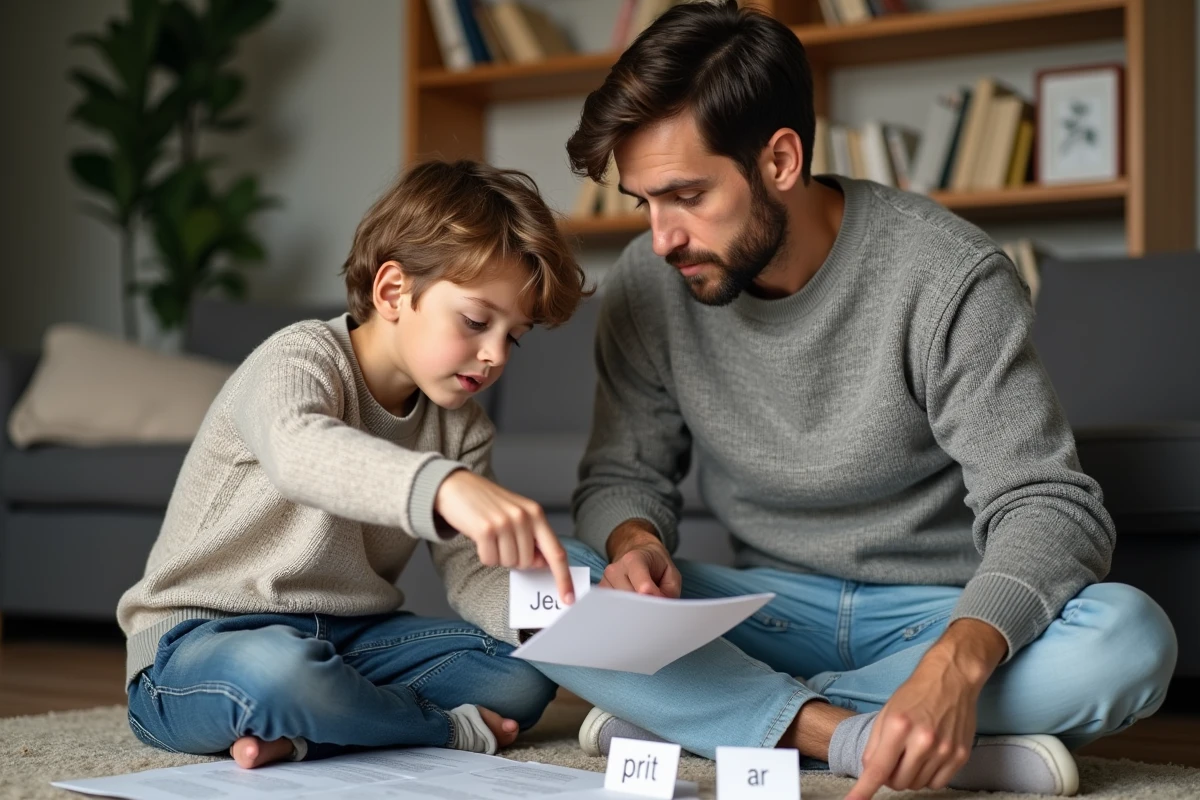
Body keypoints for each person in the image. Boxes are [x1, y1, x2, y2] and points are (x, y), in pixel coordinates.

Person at [497, 3, 1175, 798]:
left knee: (1129, 639)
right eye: (644, 201)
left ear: (780, 160)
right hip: (761, 613)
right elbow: (622, 475)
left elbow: (1049, 505)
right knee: (540, 587)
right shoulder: (649, 291)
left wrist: (955, 664)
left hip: (937, 612)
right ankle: (843, 737)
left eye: (686, 195)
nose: (660, 238)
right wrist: (634, 545)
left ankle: (710, 720)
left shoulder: (946, 275)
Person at [117, 159, 591, 769]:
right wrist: (440, 486)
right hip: (200, 641)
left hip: (350, 642)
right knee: (279, 672)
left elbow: (475, 573)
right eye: (476, 321)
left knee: (519, 681)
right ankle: (431, 730)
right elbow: (299, 449)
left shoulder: (461, 426)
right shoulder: (298, 359)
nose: (495, 354)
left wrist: (555, 619)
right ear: (393, 291)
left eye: (513, 335)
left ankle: (312, 732)